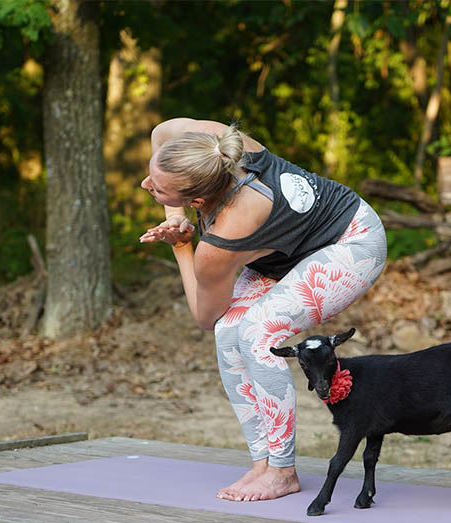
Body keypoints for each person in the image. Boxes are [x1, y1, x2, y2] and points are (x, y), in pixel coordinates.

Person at [139, 118, 387, 501]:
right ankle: (262, 464)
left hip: (352, 241)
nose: (145, 185)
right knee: (229, 330)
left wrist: (180, 245)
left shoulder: (222, 238)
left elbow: (203, 314)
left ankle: (283, 471)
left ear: (198, 200)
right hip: (287, 252)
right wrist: (175, 215)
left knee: (258, 332)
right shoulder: (216, 147)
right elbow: (161, 132)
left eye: (157, 187)